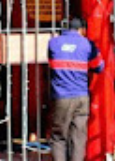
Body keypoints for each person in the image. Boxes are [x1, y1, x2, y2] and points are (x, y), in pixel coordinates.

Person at [48, 18, 104, 161]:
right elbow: (99, 67)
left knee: (58, 136)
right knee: (78, 137)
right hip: (81, 97)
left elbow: (51, 64)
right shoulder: (88, 44)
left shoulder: (53, 43)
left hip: (61, 97)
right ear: (82, 30)